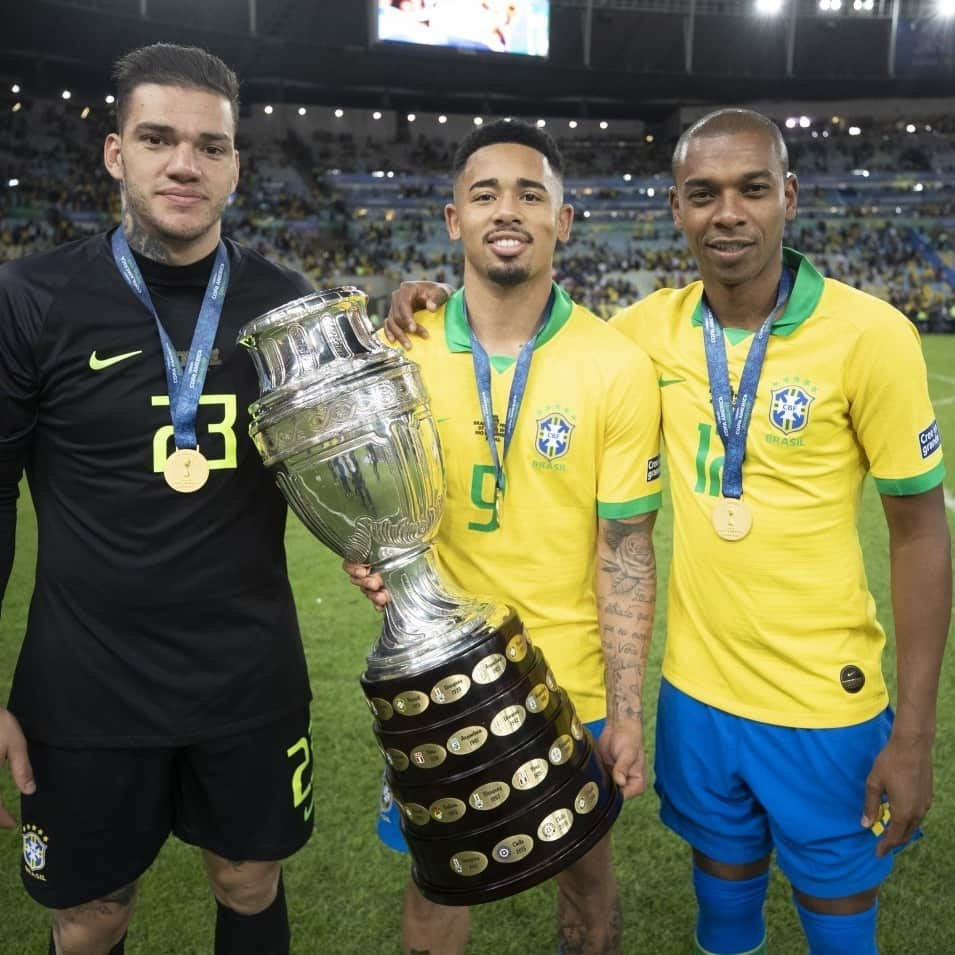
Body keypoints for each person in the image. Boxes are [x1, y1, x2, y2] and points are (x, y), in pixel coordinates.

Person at [384, 108, 951, 955]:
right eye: (704, 193)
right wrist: (417, 293)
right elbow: (517, 323)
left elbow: (919, 535)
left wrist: (913, 736)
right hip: (697, 693)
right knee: (720, 911)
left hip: (824, 699)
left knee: (837, 924)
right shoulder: (645, 334)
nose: (728, 212)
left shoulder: (870, 335)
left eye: (752, 189)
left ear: (788, 196)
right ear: (675, 209)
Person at [0, 44, 315, 955]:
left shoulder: (282, 302)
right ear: (115, 153)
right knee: (92, 914)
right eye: (158, 138)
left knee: (249, 879)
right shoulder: (32, 299)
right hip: (84, 682)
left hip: (246, 674)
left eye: (210, 147)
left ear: (235, 166)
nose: (185, 163)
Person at [346, 119, 662, 955]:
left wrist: (626, 713)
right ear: (454, 220)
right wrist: (365, 549)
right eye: (484, 194)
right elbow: (371, 502)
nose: (506, 209)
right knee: (434, 891)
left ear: (563, 220)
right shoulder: (399, 351)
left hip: (574, 683)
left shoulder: (614, 364)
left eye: (531, 193)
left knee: (588, 885)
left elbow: (624, 549)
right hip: (440, 677)